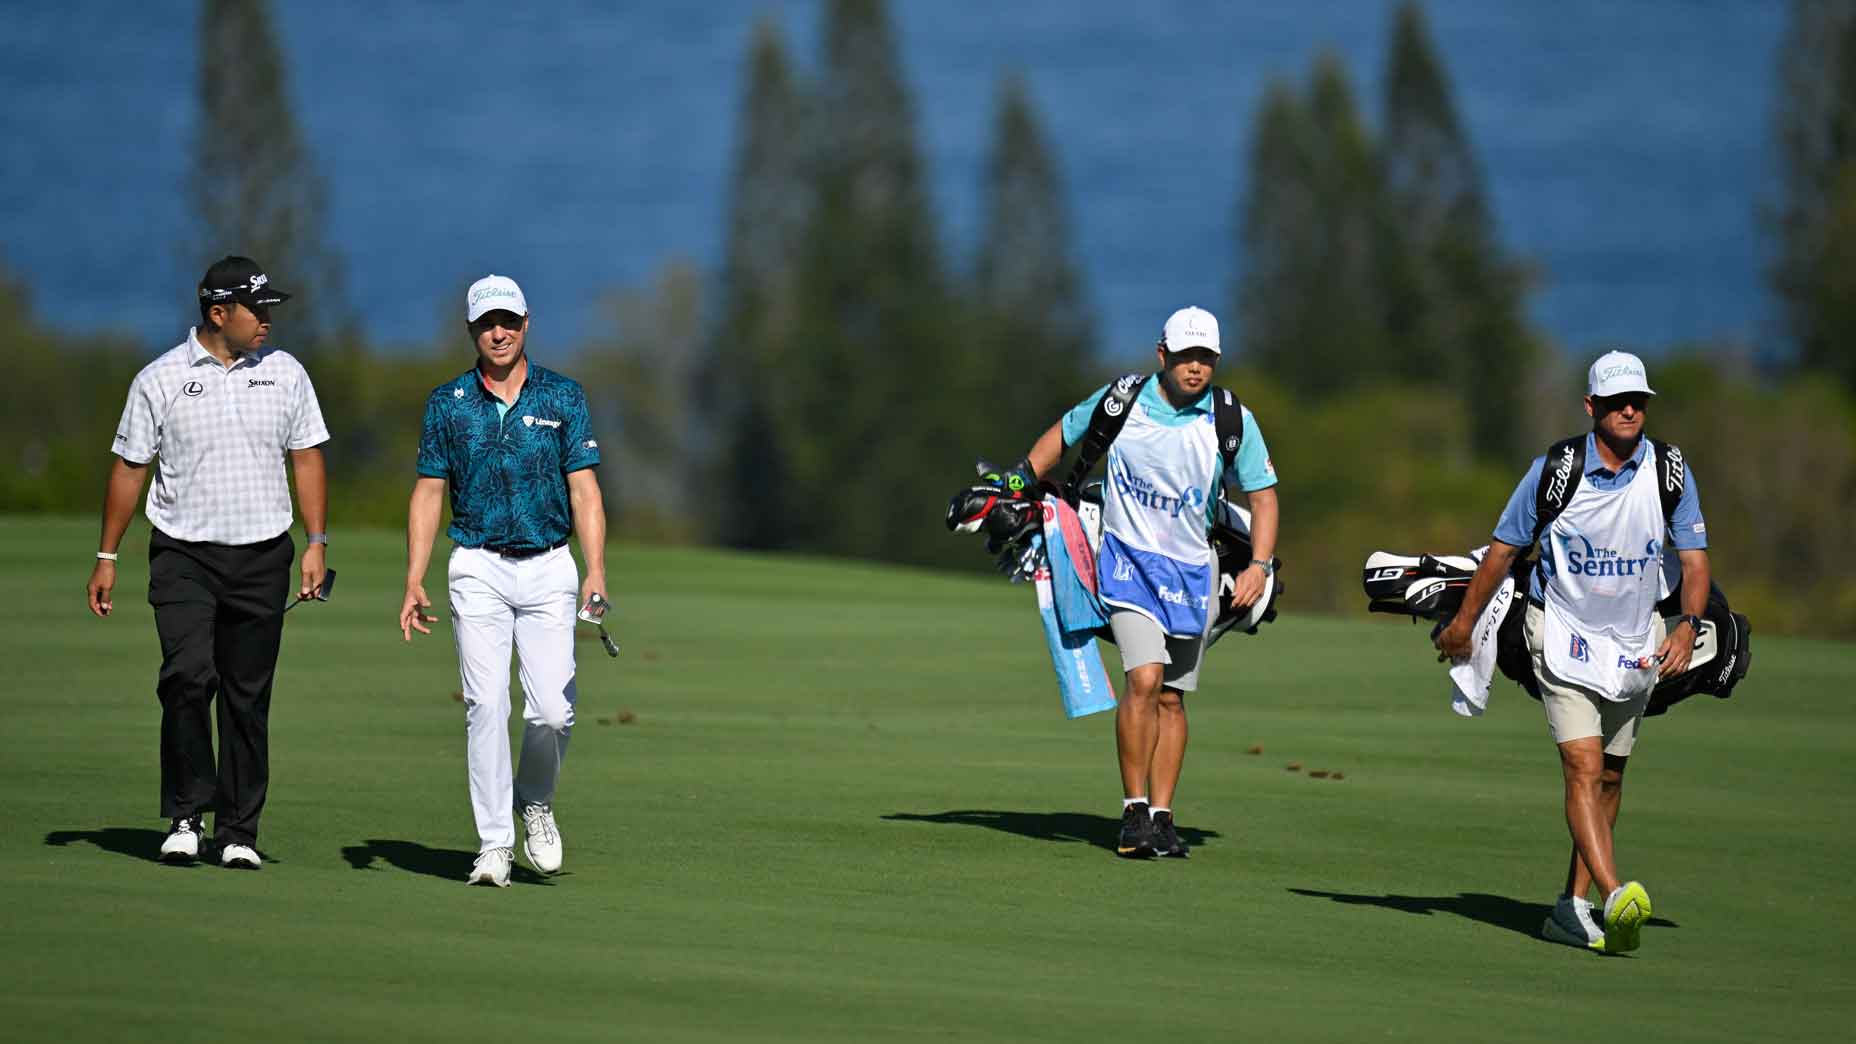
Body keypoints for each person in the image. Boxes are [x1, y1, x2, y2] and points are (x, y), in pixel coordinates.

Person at [1435, 350, 1710, 954]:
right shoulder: (1555, 471)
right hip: (1559, 631)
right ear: (1592, 408)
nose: (1630, 410)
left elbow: (1692, 561)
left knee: (1611, 774)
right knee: (1583, 766)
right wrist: (1463, 624)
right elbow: (1503, 552)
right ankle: (1615, 894)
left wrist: (1688, 626)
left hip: (1636, 642)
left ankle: (1571, 905)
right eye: (1616, 403)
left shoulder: (1669, 469)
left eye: (1638, 401)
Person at [86, 256, 331, 870]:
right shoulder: (160, 378)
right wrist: (106, 556)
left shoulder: (287, 374)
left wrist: (316, 541)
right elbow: (130, 469)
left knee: (247, 697)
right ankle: (186, 816)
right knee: (189, 677)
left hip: (264, 553)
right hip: (183, 554)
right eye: (258, 309)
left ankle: (239, 832)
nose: (268, 319)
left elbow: (306, 458)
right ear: (218, 313)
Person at [1015, 306, 1279, 859]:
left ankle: (1162, 817)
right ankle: (1132, 809)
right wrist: (1019, 486)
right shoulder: (1125, 401)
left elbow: (1263, 495)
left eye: (1205, 358)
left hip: (1193, 571)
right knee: (1144, 678)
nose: (1195, 368)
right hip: (1127, 563)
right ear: (1163, 355)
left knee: (1173, 699)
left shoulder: (1230, 419)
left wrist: (1258, 565)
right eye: (1186, 356)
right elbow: (1062, 436)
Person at [398, 274, 606, 888]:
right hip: (478, 565)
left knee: (550, 712)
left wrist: (595, 569)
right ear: (471, 329)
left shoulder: (563, 397)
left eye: (509, 321)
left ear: (526, 323)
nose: (499, 332)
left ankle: (534, 800)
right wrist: (414, 577)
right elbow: (429, 491)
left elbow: (585, 490)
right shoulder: (448, 403)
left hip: (549, 565)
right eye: (488, 322)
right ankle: (494, 844)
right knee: (486, 706)